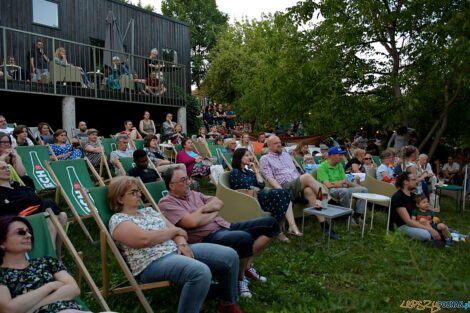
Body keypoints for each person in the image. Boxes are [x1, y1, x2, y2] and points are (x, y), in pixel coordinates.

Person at [107, 176, 244, 313]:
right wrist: (174, 231)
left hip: (176, 249)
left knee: (230, 255)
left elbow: (180, 233)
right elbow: (144, 240)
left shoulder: (148, 211)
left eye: (138, 191)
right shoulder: (118, 219)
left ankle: (227, 304)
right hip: (152, 262)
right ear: (120, 199)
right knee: (200, 271)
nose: (139, 194)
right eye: (133, 192)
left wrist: (181, 245)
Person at [159, 167, 280, 298]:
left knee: (270, 223)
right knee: (244, 238)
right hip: (207, 237)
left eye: (187, 178)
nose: (189, 182)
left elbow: (219, 202)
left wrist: (201, 213)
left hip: (225, 226)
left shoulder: (194, 194)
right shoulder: (166, 203)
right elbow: (191, 223)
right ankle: (239, 279)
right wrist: (209, 211)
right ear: (172, 186)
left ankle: (246, 265)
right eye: (184, 180)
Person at [0, 216, 95, 313]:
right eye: (20, 232)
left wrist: (30, 308)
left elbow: (73, 289)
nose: (28, 235)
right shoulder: (2, 274)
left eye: (29, 232)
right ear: (2, 243)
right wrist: (51, 286)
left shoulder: (47, 262)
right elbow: (8, 309)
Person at [260, 136, 338, 238]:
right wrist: (280, 190)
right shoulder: (265, 159)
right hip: (285, 186)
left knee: (309, 191)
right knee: (306, 177)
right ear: (269, 145)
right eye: (275, 143)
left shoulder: (286, 155)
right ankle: (327, 199)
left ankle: (324, 226)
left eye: (279, 142)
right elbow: (269, 177)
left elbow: (295, 172)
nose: (279, 144)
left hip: (297, 185)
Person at [230, 148, 301, 241]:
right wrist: (256, 188)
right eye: (246, 155)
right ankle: (278, 230)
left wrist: (256, 171)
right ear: (239, 158)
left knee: (284, 193)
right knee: (283, 195)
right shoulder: (235, 172)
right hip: (250, 199)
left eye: (250, 155)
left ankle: (277, 229)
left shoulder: (250, 172)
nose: (250, 157)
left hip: (260, 195)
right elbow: (246, 187)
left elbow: (261, 185)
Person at [0, 161, 67, 252]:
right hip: (22, 220)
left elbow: (35, 200)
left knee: (62, 215)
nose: (7, 170)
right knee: (53, 210)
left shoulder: (19, 186)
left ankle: (56, 255)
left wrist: (14, 201)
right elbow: (8, 209)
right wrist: (24, 200)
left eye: (7, 167)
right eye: (2, 168)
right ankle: (52, 251)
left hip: (36, 213)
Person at [316, 146, 368, 226]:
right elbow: (328, 185)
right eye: (339, 155)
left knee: (364, 190)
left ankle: (357, 215)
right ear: (332, 155)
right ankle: (347, 216)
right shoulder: (322, 167)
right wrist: (341, 183)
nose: (341, 157)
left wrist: (338, 183)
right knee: (344, 191)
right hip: (328, 191)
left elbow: (346, 182)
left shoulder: (339, 165)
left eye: (341, 155)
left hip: (341, 188)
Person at [390, 172, 443, 244]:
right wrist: (430, 229)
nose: (416, 181)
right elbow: (408, 221)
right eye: (414, 180)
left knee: (439, 226)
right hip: (400, 226)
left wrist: (430, 209)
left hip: (414, 222)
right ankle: (435, 237)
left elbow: (422, 207)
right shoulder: (399, 197)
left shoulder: (412, 195)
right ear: (405, 182)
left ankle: (442, 235)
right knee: (425, 234)